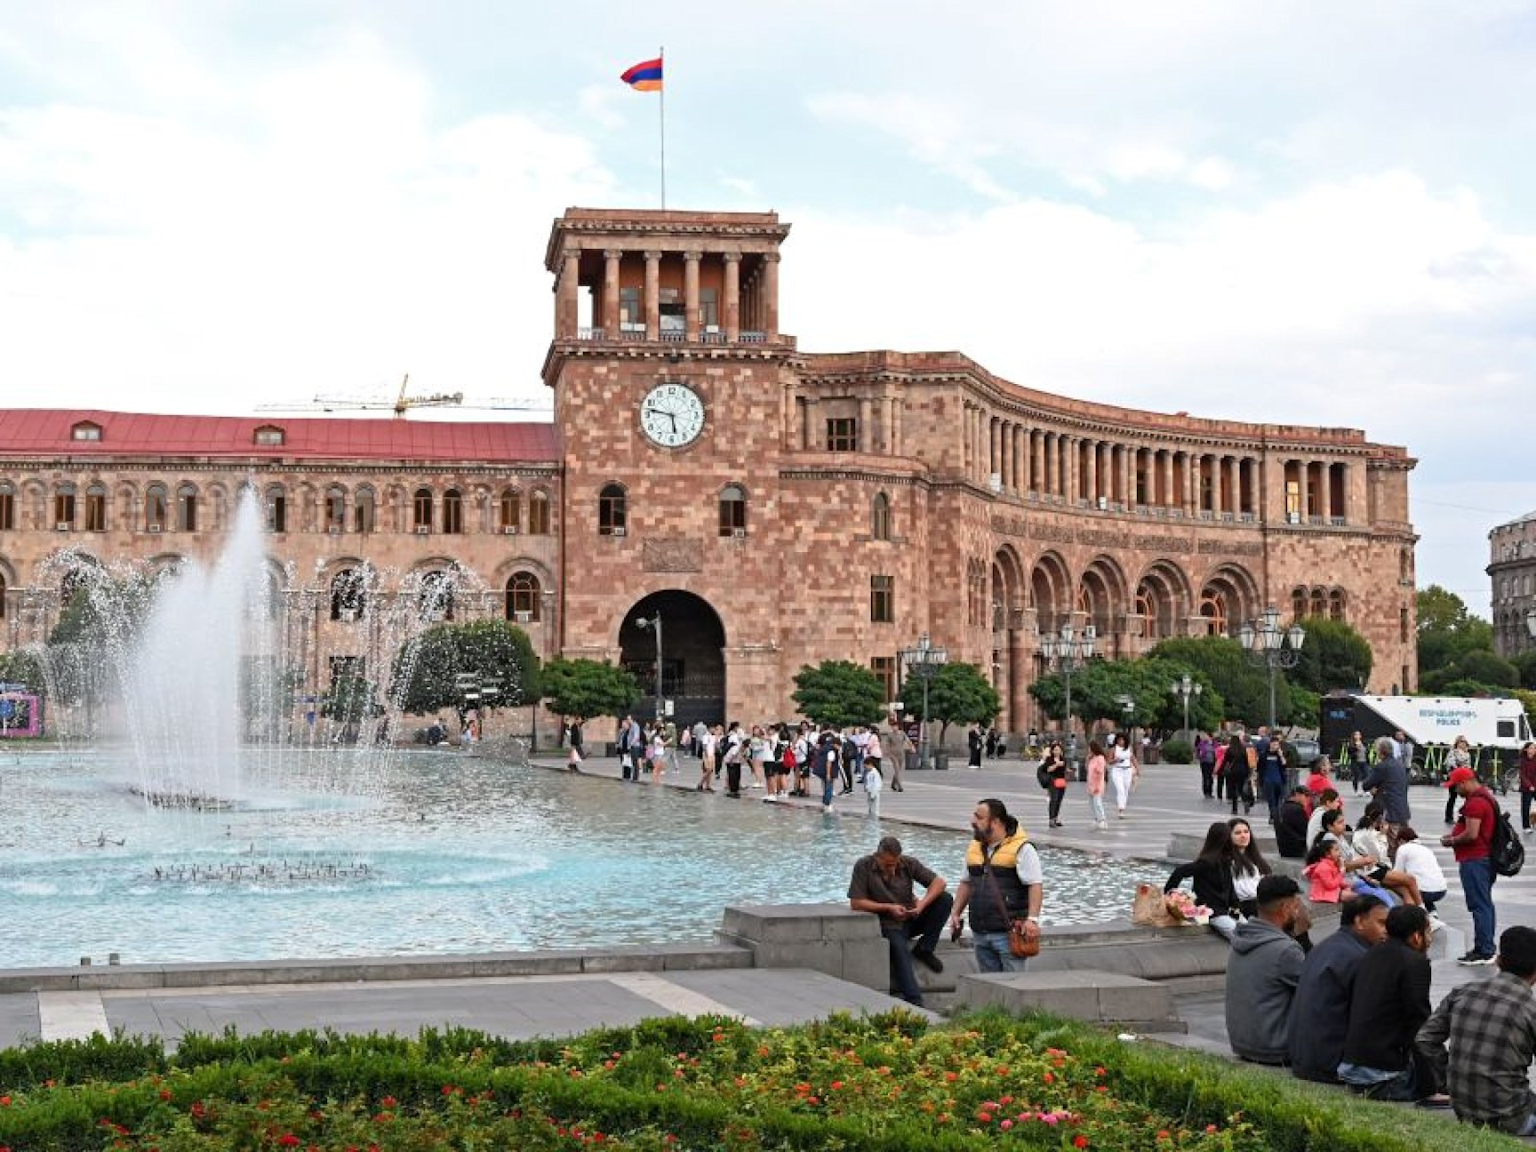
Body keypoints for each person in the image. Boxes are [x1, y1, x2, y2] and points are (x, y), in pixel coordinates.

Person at [1416, 925, 1536, 1135]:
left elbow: (1424, 1040)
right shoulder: (1530, 1009)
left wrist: (1452, 1074)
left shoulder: (1462, 992)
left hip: (1463, 1108)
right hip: (1511, 1118)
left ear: (1498, 960)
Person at [1337, 905, 1442, 1103]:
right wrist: (1430, 1088)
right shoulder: (1414, 962)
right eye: (1428, 931)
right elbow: (1419, 1024)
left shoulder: (1370, 954)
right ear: (1416, 936)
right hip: (1383, 1075)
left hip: (1352, 1066)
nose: (1431, 938)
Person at [1288, 895, 1390, 1083]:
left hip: (1303, 1058)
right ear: (1359, 922)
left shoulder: (1325, 947)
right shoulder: (1360, 958)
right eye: (1382, 923)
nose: (1387, 931)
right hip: (1331, 1063)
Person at [848, 835, 953, 1008]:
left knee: (945, 899)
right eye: (888, 865)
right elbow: (856, 903)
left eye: (896, 864)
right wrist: (888, 908)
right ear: (878, 857)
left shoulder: (907, 863)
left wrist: (921, 905)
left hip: (910, 918)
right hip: (888, 924)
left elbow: (939, 883)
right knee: (899, 949)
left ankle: (925, 948)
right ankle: (914, 999)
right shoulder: (863, 866)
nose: (893, 869)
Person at [949, 798, 1042, 973]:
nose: (973, 821)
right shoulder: (974, 847)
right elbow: (966, 883)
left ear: (996, 822)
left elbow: (1035, 884)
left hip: (1009, 933)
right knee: (989, 989)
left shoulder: (1022, 848)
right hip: (980, 932)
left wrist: (1032, 920)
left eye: (979, 817)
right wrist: (955, 913)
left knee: (1014, 988)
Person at [1224, 874, 1306, 1065]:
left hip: (1241, 1043)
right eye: (1296, 907)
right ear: (1285, 909)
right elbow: (1317, 991)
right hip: (1275, 1048)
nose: (1298, 912)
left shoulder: (1241, 938)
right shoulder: (1287, 951)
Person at [1441, 764, 1498, 965]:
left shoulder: (1475, 803)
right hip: (1483, 858)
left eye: (1456, 786)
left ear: (1465, 782)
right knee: (1484, 904)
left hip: (1475, 859)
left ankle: (1484, 950)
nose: (1455, 790)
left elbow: (1472, 834)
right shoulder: (1486, 797)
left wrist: (1452, 840)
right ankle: (1485, 947)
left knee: (1479, 905)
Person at [1165, 822, 1240, 940]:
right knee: (1242, 938)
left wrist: (1236, 906)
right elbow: (1179, 872)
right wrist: (1170, 894)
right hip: (1212, 913)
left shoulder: (1225, 861)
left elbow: (1229, 887)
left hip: (1224, 912)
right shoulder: (1206, 863)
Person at [1393, 826, 1447, 917]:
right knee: (1424, 890)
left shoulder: (1403, 848)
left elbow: (1396, 873)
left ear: (1401, 840)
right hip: (1441, 890)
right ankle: (1433, 914)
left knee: (1402, 886)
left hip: (1423, 891)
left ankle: (1413, 915)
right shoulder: (1426, 849)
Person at [1362, 736, 1411, 831]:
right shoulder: (1400, 765)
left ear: (1380, 751)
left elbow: (1366, 785)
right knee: (1401, 841)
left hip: (1389, 812)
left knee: (1389, 842)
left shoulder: (1382, 766)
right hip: (1403, 811)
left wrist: (1376, 789)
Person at [1303, 838, 1347, 904]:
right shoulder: (1323, 867)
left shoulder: (1332, 864)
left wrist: (1347, 885)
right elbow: (1331, 885)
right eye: (1336, 850)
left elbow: (1337, 880)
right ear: (1328, 854)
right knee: (1355, 896)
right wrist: (1341, 872)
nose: (1339, 852)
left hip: (1331, 890)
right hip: (1323, 893)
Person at [1443, 734, 1473, 825]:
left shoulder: (1467, 754)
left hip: (1464, 778)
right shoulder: (1453, 752)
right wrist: (1459, 769)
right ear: (1457, 743)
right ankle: (1449, 817)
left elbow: (1468, 765)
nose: (1462, 744)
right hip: (1454, 777)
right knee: (1452, 797)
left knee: (1469, 797)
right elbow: (1450, 763)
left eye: (1464, 742)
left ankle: (1466, 815)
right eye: (1461, 742)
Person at [1257, 735, 1287, 823]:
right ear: (1270, 744)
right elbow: (1259, 767)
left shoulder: (1279, 755)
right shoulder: (1264, 754)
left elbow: (1284, 765)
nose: (1275, 747)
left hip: (1279, 780)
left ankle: (1277, 815)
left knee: (1279, 800)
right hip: (1268, 780)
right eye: (1274, 744)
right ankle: (1272, 816)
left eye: (1277, 745)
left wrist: (1281, 755)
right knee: (1271, 800)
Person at [1275, 785, 1311, 859]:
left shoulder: (1280, 808)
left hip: (1283, 849)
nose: (1308, 799)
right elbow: (1306, 831)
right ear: (1297, 795)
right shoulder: (1298, 810)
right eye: (1306, 796)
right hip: (1297, 850)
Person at [1040, 740, 1069, 828]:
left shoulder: (1063, 759)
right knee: (1054, 800)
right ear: (1052, 751)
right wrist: (1056, 765)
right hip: (1052, 781)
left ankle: (1056, 818)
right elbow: (1048, 769)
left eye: (1058, 750)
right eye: (1055, 750)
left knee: (1059, 801)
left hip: (1061, 781)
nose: (1057, 751)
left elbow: (1064, 769)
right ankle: (1051, 820)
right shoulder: (1050, 759)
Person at [1110, 733, 1139, 819]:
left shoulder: (1129, 748)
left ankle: (1123, 807)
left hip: (1127, 770)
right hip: (1117, 770)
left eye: (1122, 740)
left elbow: (1133, 759)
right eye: (1119, 740)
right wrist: (1115, 760)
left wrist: (1138, 769)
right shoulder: (1113, 749)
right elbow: (1109, 761)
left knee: (1126, 790)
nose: (1121, 741)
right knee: (1120, 789)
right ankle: (1121, 810)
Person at [1222, 733, 1252, 816]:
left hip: (1233, 772)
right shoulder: (1243, 749)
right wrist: (1248, 771)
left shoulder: (1229, 749)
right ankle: (1245, 801)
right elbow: (1247, 761)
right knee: (1241, 788)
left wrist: (1222, 770)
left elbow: (1225, 761)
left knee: (1233, 790)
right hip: (1242, 771)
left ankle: (1234, 809)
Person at [1084, 739, 1109, 830]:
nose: (1088, 750)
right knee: (1091, 803)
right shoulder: (1092, 758)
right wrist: (1088, 759)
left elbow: (1100, 773)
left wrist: (1097, 786)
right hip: (1090, 784)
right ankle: (1096, 818)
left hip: (1097, 784)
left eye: (1089, 748)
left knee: (1097, 803)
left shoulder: (1100, 758)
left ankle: (1102, 819)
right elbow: (1087, 768)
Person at [1519, 740, 1536, 834]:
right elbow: (1522, 775)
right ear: (1526, 749)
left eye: (1534, 748)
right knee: (1525, 807)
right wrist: (1529, 786)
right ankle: (1526, 826)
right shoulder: (1522, 760)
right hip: (1527, 788)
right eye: (1531, 748)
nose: (1533, 750)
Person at [1346, 730, 1370, 794]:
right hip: (1356, 762)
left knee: (1367, 775)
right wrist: (1356, 748)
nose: (1357, 736)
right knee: (1356, 776)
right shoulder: (1351, 744)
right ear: (1353, 736)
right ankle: (1356, 790)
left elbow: (1367, 751)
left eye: (1359, 734)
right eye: (1356, 734)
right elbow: (1350, 753)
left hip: (1364, 761)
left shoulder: (1364, 743)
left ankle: (1366, 790)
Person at [1196, 731, 1217, 799]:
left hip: (1212, 763)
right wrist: (1199, 755)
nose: (1204, 737)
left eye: (1206, 736)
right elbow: (1198, 750)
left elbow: (1217, 751)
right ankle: (1205, 792)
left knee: (1211, 778)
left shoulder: (1214, 744)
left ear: (1210, 737)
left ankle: (1210, 792)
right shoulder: (1202, 743)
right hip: (1204, 762)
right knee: (1205, 777)